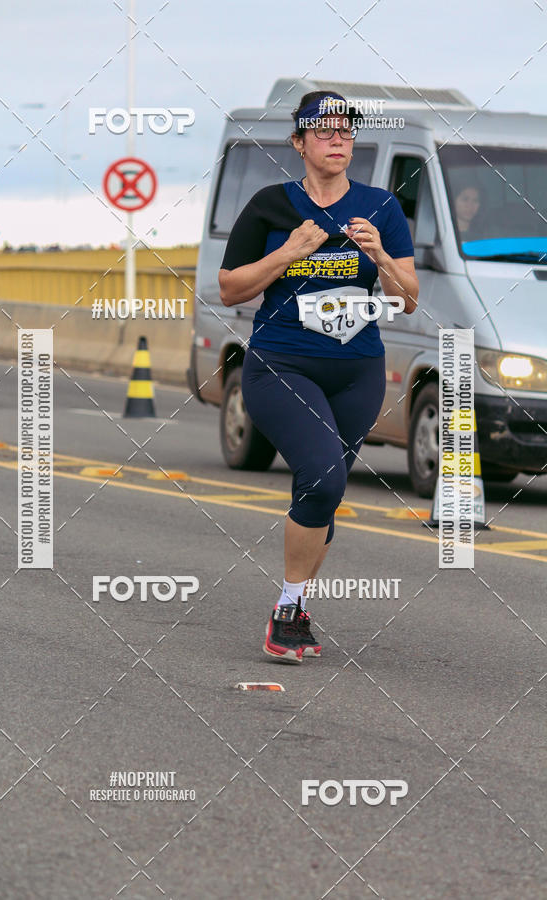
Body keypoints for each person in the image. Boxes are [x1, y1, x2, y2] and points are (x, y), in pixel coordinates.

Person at [218, 91, 419, 663]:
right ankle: (286, 611)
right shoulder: (269, 206)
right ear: (300, 142)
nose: (338, 139)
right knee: (326, 480)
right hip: (282, 364)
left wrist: (381, 257)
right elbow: (231, 287)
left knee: (319, 494)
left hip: (358, 370)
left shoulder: (380, 207)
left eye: (346, 132)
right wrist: (290, 250)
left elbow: (406, 301)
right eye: (325, 130)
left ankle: (297, 605)